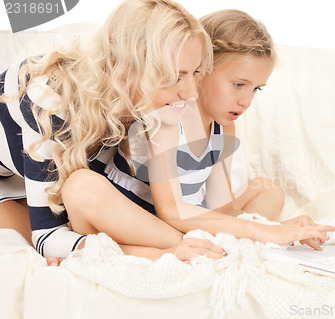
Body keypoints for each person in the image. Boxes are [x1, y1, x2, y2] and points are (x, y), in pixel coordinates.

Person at [0, 0, 226, 264]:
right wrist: (165, 251)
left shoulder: (142, 106)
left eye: (195, 73)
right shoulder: (50, 99)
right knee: (68, 231)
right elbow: (48, 236)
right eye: (175, 76)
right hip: (8, 183)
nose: (191, 93)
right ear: (127, 69)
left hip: (35, 179)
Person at [101, 9, 335, 250]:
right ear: (201, 71)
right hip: (141, 215)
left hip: (188, 214)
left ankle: (249, 242)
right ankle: (223, 242)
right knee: (250, 223)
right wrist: (263, 230)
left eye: (256, 89)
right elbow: (170, 210)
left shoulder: (224, 128)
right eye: (238, 84)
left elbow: (221, 207)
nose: (246, 101)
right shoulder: (169, 118)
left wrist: (280, 228)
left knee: (269, 190)